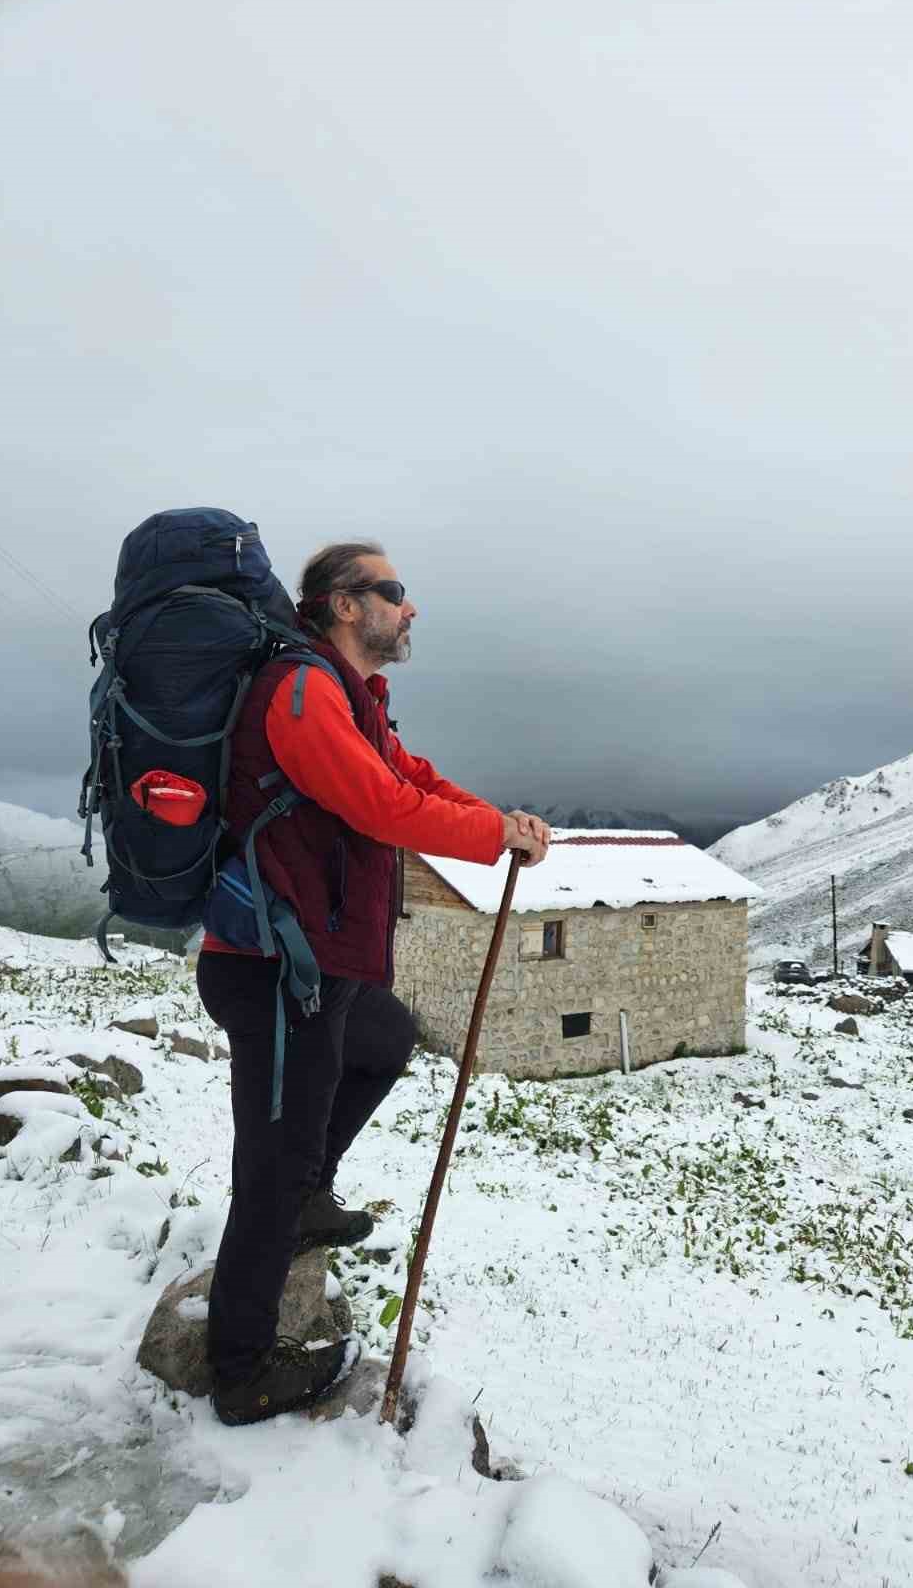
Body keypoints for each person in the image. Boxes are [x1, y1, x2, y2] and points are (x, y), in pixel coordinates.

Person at [197, 540, 549, 1425]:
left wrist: (497, 820)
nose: (410, 607)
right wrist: (491, 841)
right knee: (267, 1174)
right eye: (394, 592)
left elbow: (410, 778)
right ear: (344, 606)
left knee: (385, 1039)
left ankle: (308, 1198)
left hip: (324, 968)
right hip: (279, 971)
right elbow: (380, 807)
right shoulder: (304, 691)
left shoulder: (352, 699)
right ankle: (239, 1374)